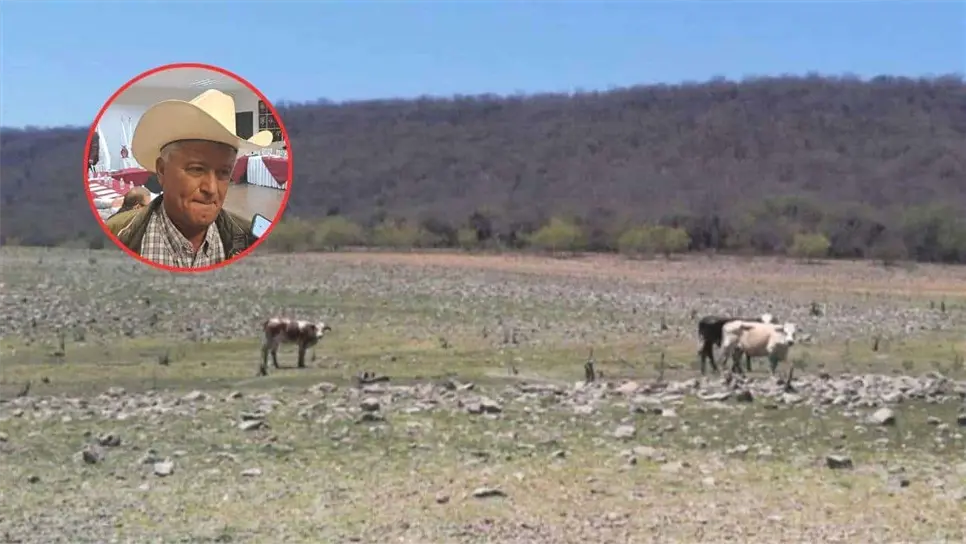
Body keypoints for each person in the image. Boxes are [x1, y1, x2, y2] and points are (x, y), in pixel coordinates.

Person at [104, 89, 274, 268]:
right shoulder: (116, 234)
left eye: (224, 173)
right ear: (162, 171)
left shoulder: (249, 238)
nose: (211, 188)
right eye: (197, 169)